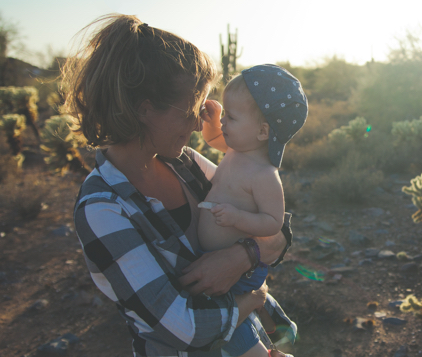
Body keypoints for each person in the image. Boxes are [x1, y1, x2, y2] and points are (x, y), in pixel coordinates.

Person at [64, 14, 296, 357]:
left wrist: (242, 255)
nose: (195, 125)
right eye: (190, 111)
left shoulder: (185, 163)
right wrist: (255, 296)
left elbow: (276, 231)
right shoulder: (103, 208)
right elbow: (186, 330)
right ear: (145, 109)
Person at [197, 65, 307, 356]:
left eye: (231, 118)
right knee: (241, 304)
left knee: (232, 319)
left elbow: (273, 223)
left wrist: (237, 218)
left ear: (262, 131)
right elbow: (213, 140)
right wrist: (213, 120)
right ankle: (277, 319)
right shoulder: (236, 149)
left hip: (239, 271)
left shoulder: (264, 175)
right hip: (218, 258)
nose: (224, 124)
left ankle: (258, 350)